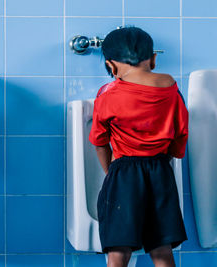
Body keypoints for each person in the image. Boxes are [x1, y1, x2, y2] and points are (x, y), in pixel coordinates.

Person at [89, 26, 188, 267]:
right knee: (162, 249)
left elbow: (100, 141)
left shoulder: (107, 95)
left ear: (111, 66)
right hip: (160, 171)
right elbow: (181, 133)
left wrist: (111, 171)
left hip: (124, 173)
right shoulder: (173, 92)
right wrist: (169, 157)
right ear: (153, 59)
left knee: (118, 252)